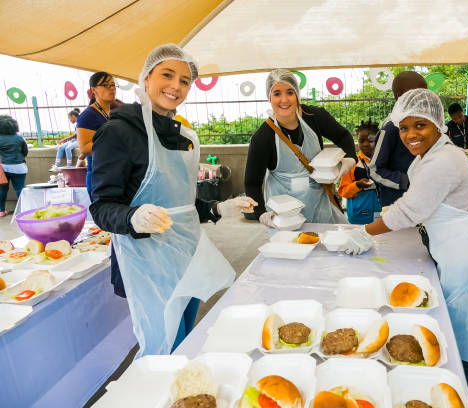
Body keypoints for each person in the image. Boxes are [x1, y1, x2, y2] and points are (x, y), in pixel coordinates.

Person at [340, 89, 468, 408]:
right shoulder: (429, 156)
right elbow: (416, 203)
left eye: (419, 125)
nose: (410, 135)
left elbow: (411, 211)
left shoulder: (443, 161)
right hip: (461, 251)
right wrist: (391, 216)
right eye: (403, 128)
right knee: (458, 345)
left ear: (437, 123)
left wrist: (363, 232)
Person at [90, 44, 257, 356]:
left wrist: (219, 207)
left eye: (185, 81)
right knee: (164, 350)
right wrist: (133, 217)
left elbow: (181, 202)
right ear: (146, 77)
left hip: (188, 257)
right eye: (168, 75)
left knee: (184, 343)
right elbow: (101, 207)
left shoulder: (185, 137)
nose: (176, 86)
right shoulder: (119, 132)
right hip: (146, 264)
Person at [244, 69, 357, 226]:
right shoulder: (263, 138)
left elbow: (343, 136)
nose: (284, 99)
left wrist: (350, 157)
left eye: (290, 92)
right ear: (269, 97)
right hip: (284, 216)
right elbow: (252, 183)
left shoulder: (315, 117)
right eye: (277, 93)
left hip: (319, 204)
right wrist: (261, 213)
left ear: (297, 94)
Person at [369, 71, 427, 206]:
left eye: (425, 93)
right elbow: (374, 169)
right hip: (397, 204)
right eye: (417, 94)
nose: (425, 98)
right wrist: (405, 181)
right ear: (399, 96)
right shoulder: (391, 128)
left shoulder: (423, 124)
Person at [77, 72, 116, 198]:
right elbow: (84, 148)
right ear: (94, 90)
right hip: (99, 176)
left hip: (116, 172)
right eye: (106, 85)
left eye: (113, 85)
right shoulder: (88, 115)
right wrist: (114, 143)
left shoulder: (116, 111)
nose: (111, 88)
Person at [338, 119, 382, 224]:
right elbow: (343, 191)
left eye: (370, 141)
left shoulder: (384, 160)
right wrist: (357, 185)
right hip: (359, 215)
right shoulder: (352, 162)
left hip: (381, 213)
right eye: (361, 141)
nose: (366, 144)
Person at [0, 115, 28, 218]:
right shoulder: (19, 137)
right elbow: (25, 151)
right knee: (20, 189)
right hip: (19, 167)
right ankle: (23, 211)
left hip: (3, 168)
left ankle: (1, 211)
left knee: (2, 190)